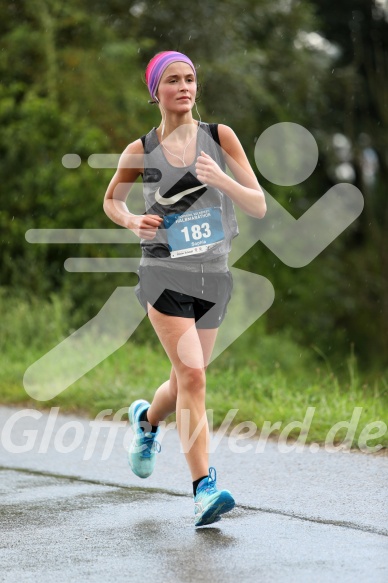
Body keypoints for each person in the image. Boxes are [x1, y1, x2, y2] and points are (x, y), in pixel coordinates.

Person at [103, 51, 266, 526]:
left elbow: (257, 205)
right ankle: (203, 489)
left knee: (182, 381)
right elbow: (112, 199)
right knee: (194, 377)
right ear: (156, 91)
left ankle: (146, 421)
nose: (184, 86)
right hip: (163, 274)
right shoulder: (141, 149)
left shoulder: (220, 137)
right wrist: (133, 219)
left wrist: (222, 180)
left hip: (213, 276)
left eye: (190, 78)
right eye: (173, 80)